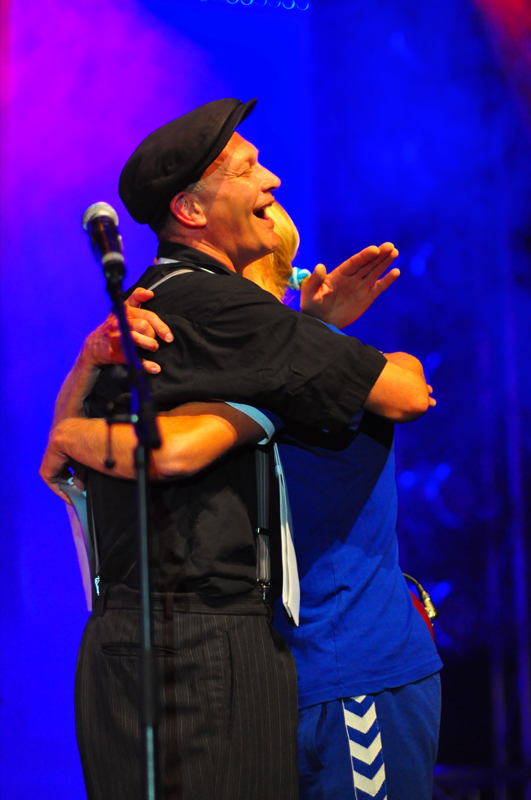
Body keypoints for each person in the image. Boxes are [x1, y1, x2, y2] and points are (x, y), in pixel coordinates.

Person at [41, 97, 433, 800]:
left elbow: (399, 384)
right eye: (249, 171)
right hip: (251, 660)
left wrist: (66, 422)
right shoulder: (231, 323)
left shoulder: (162, 313)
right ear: (191, 211)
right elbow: (172, 450)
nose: (272, 182)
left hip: (313, 664)